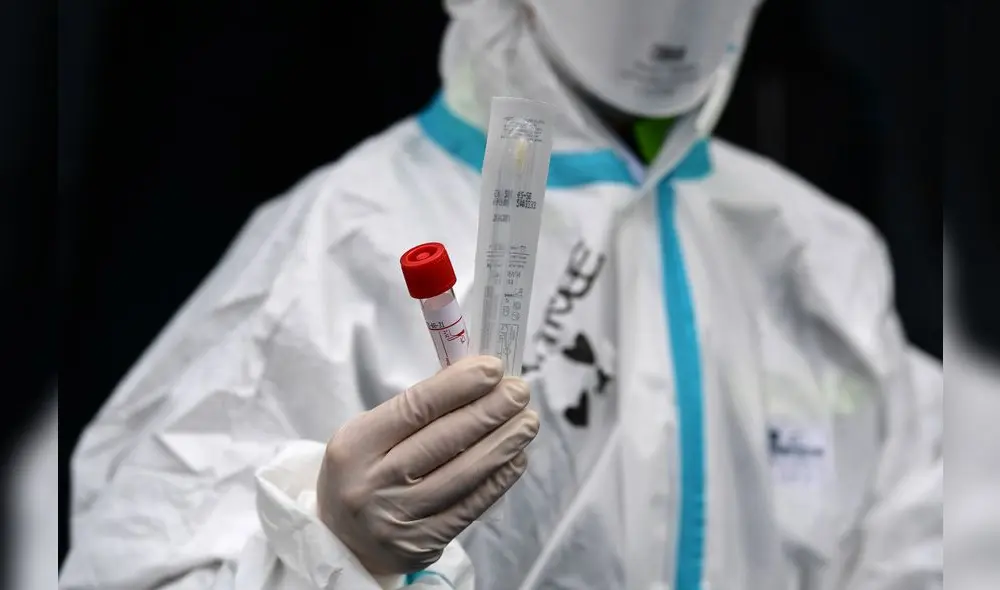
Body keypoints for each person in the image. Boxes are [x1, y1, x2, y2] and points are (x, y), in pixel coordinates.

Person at [59, 0, 943, 588]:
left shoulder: (817, 256)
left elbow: (919, 544)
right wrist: (325, 553)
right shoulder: (348, 238)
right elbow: (138, 562)